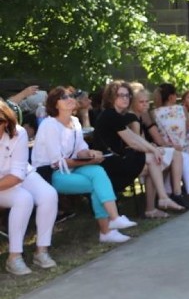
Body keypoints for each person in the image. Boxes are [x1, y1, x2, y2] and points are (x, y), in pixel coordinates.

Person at [31, 87, 138, 244]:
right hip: (50, 174)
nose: (69, 99)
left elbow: (80, 149)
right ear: (55, 105)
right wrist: (89, 160)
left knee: (98, 171)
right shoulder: (49, 124)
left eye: (70, 96)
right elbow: (57, 161)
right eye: (63, 97)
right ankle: (108, 229)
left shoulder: (74, 122)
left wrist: (90, 153)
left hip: (71, 168)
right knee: (97, 183)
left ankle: (113, 221)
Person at [0, 100, 58, 275]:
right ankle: (14, 256)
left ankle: (42, 251)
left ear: (6, 121)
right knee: (23, 199)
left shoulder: (19, 133)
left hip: (19, 174)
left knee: (49, 195)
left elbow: (18, 174)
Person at [127, 85, 185, 218]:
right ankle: (156, 204)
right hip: (136, 157)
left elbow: (141, 141)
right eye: (141, 102)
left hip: (145, 153)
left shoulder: (140, 116)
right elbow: (136, 143)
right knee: (159, 160)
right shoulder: (132, 119)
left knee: (173, 154)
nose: (146, 105)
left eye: (147, 101)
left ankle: (174, 194)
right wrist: (153, 148)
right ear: (133, 103)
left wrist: (152, 146)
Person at [91, 81, 149, 197]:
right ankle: (156, 203)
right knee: (152, 161)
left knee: (153, 161)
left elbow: (134, 138)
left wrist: (153, 149)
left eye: (127, 95)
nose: (125, 98)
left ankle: (160, 199)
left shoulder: (117, 115)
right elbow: (133, 142)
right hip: (109, 162)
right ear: (111, 98)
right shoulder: (110, 115)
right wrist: (153, 150)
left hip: (116, 157)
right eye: (120, 95)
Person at [153, 83, 189, 203]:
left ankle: (169, 191)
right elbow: (186, 128)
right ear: (172, 96)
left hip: (167, 147)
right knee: (186, 158)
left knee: (182, 159)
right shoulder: (181, 109)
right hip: (184, 147)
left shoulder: (155, 112)